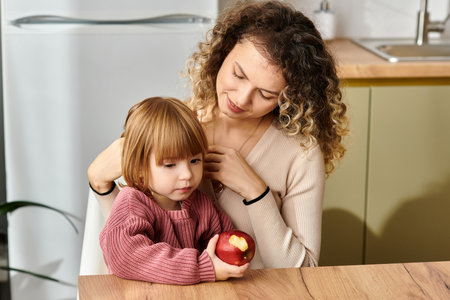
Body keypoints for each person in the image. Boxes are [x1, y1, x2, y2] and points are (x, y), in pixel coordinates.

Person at [88, 0, 348, 269]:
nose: (242, 98)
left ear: (289, 98)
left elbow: (304, 270)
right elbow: (132, 238)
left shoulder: (300, 154)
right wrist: (101, 187)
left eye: (265, 94)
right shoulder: (177, 126)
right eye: (238, 75)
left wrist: (257, 192)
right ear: (223, 52)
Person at [99, 97, 248, 285]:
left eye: (195, 161)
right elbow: (124, 257)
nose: (187, 174)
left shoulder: (201, 204)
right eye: (170, 165)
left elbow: (222, 246)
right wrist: (202, 267)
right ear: (138, 167)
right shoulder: (132, 203)